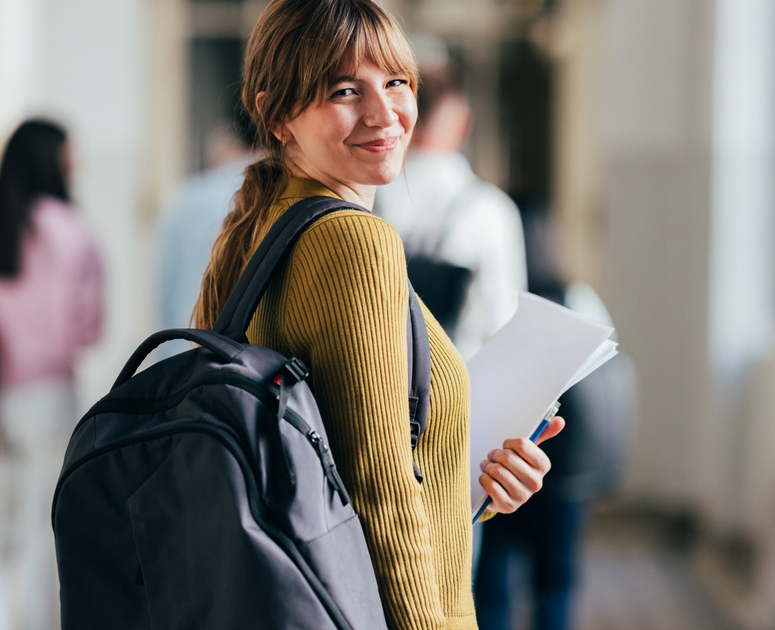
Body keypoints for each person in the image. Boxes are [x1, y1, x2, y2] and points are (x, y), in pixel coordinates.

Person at [192, 1, 563, 627]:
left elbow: (330, 470)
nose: (384, 112)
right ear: (278, 114)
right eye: (344, 90)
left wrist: (475, 483)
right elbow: (378, 493)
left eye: (396, 81)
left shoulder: (260, 225)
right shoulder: (353, 241)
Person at [0, 119, 103, 630]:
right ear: (52, 163)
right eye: (69, 158)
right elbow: (85, 331)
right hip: (47, 398)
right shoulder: (69, 230)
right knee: (43, 528)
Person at [473, 198, 637, 630]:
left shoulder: (493, 301)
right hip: (566, 473)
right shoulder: (577, 297)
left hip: (498, 457)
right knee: (555, 581)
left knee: (491, 583)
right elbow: (607, 374)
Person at [373, 56, 527, 360]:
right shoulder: (490, 210)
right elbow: (503, 326)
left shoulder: (364, 196)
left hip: (376, 383)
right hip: (462, 391)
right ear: (463, 123)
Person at [157, 121, 255, 332]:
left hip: (182, 342)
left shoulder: (185, 195)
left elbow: (165, 286)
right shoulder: (268, 195)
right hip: (242, 354)